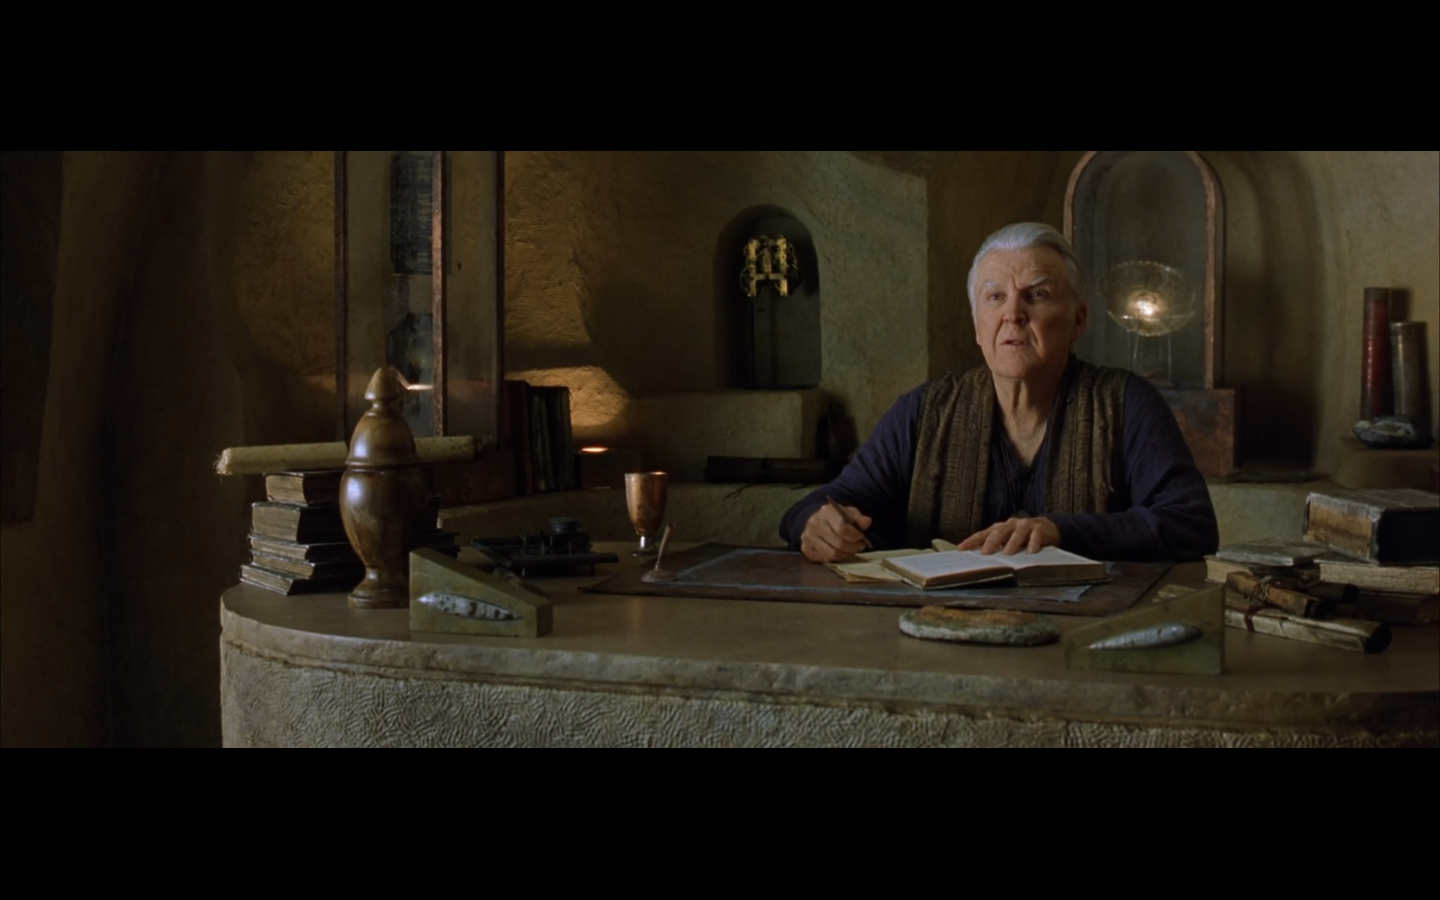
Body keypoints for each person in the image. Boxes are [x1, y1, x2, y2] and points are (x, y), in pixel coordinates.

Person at [781, 222, 1218, 563]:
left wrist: (1062, 532)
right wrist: (814, 525)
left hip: (1086, 634)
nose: (1013, 314)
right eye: (994, 297)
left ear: (1078, 320)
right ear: (977, 325)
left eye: (1037, 294)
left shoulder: (1125, 405)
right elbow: (824, 504)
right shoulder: (924, 412)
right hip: (938, 629)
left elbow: (1191, 525)